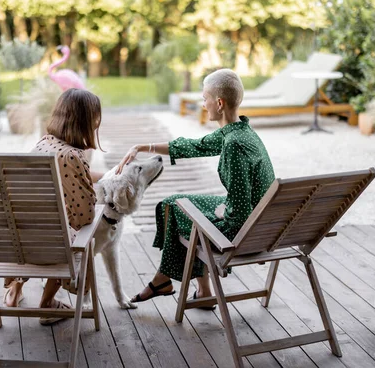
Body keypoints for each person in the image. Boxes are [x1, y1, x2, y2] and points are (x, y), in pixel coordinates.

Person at [116, 68, 275, 306]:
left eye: (204, 98)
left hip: (246, 232)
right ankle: (199, 291)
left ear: (219, 103)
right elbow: (194, 146)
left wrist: (223, 211)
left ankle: (166, 281)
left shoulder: (234, 145)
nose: (203, 104)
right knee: (176, 203)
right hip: (265, 223)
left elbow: (239, 212)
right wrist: (143, 146)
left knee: (172, 208)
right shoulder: (241, 131)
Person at [3, 88, 104, 325]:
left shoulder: (44, 145)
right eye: (96, 117)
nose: (98, 122)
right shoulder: (73, 157)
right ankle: (47, 305)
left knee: (36, 220)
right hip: (48, 248)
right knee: (73, 234)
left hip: (16, 244)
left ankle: (15, 289)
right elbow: (84, 216)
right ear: (86, 121)